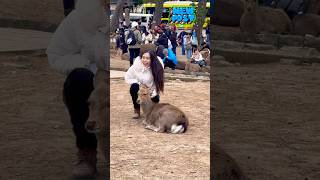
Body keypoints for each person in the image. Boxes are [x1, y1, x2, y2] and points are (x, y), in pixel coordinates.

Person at [46, 0, 106, 178]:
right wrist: (87, 65)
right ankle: (86, 152)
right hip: (94, 78)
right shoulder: (80, 16)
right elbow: (56, 54)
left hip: (121, 78)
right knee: (78, 80)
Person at [125, 50, 164, 119]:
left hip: (151, 89)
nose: (145, 60)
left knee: (155, 101)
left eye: (147, 58)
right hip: (140, 88)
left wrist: (152, 91)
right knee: (134, 87)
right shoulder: (136, 66)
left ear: (152, 59)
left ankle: (151, 109)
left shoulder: (156, 68)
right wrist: (139, 83)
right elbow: (127, 77)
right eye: (143, 57)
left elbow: (158, 83)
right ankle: (137, 109)